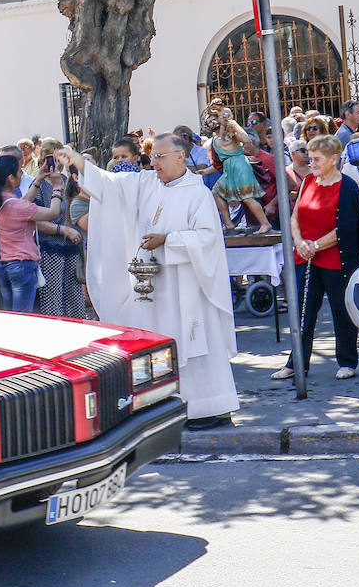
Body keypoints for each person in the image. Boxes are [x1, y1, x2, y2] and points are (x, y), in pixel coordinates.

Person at [55, 136, 240, 428]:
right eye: (152, 157)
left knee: (195, 344)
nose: (153, 163)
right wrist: (78, 161)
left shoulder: (197, 194)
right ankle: (174, 407)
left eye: (160, 157)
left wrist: (168, 240)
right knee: (164, 343)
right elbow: (111, 187)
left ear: (180, 157)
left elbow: (207, 238)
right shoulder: (147, 183)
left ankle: (211, 408)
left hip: (189, 286)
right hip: (158, 286)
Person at [275, 134, 359, 381]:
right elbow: (295, 216)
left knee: (341, 311)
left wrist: (314, 245)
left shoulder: (346, 186)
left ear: (333, 159)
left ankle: (347, 361)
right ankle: (296, 363)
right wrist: (300, 243)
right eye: (310, 157)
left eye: (316, 159)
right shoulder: (307, 181)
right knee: (302, 312)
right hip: (305, 256)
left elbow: (345, 228)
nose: (311, 163)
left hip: (336, 259)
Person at [0, 154, 63, 312]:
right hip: (22, 263)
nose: (22, 174)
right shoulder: (18, 207)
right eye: (19, 171)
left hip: (1, 264)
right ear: (11, 178)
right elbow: (54, 213)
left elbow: (22, 203)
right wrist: (57, 187)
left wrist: (38, 180)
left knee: (10, 313)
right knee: (23, 314)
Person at [33, 139, 88, 318]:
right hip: (50, 247)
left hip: (71, 245)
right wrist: (63, 230)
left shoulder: (67, 181)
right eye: (51, 158)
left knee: (74, 293)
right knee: (52, 294)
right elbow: (37, 222)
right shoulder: (38, 185)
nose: (55, 164)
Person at [210, 116, 272, 234]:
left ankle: (265, 224)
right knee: (217, 192)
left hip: (239, 165)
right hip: (229, 168)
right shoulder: (215, 140)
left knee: (247, 197)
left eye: (214, 119)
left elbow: (245, 139)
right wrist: (203, 172)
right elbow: (216, 164)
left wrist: (234, 125)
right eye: (209, 121)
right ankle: (228, 224)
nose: (212, 122)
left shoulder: (231, 131)